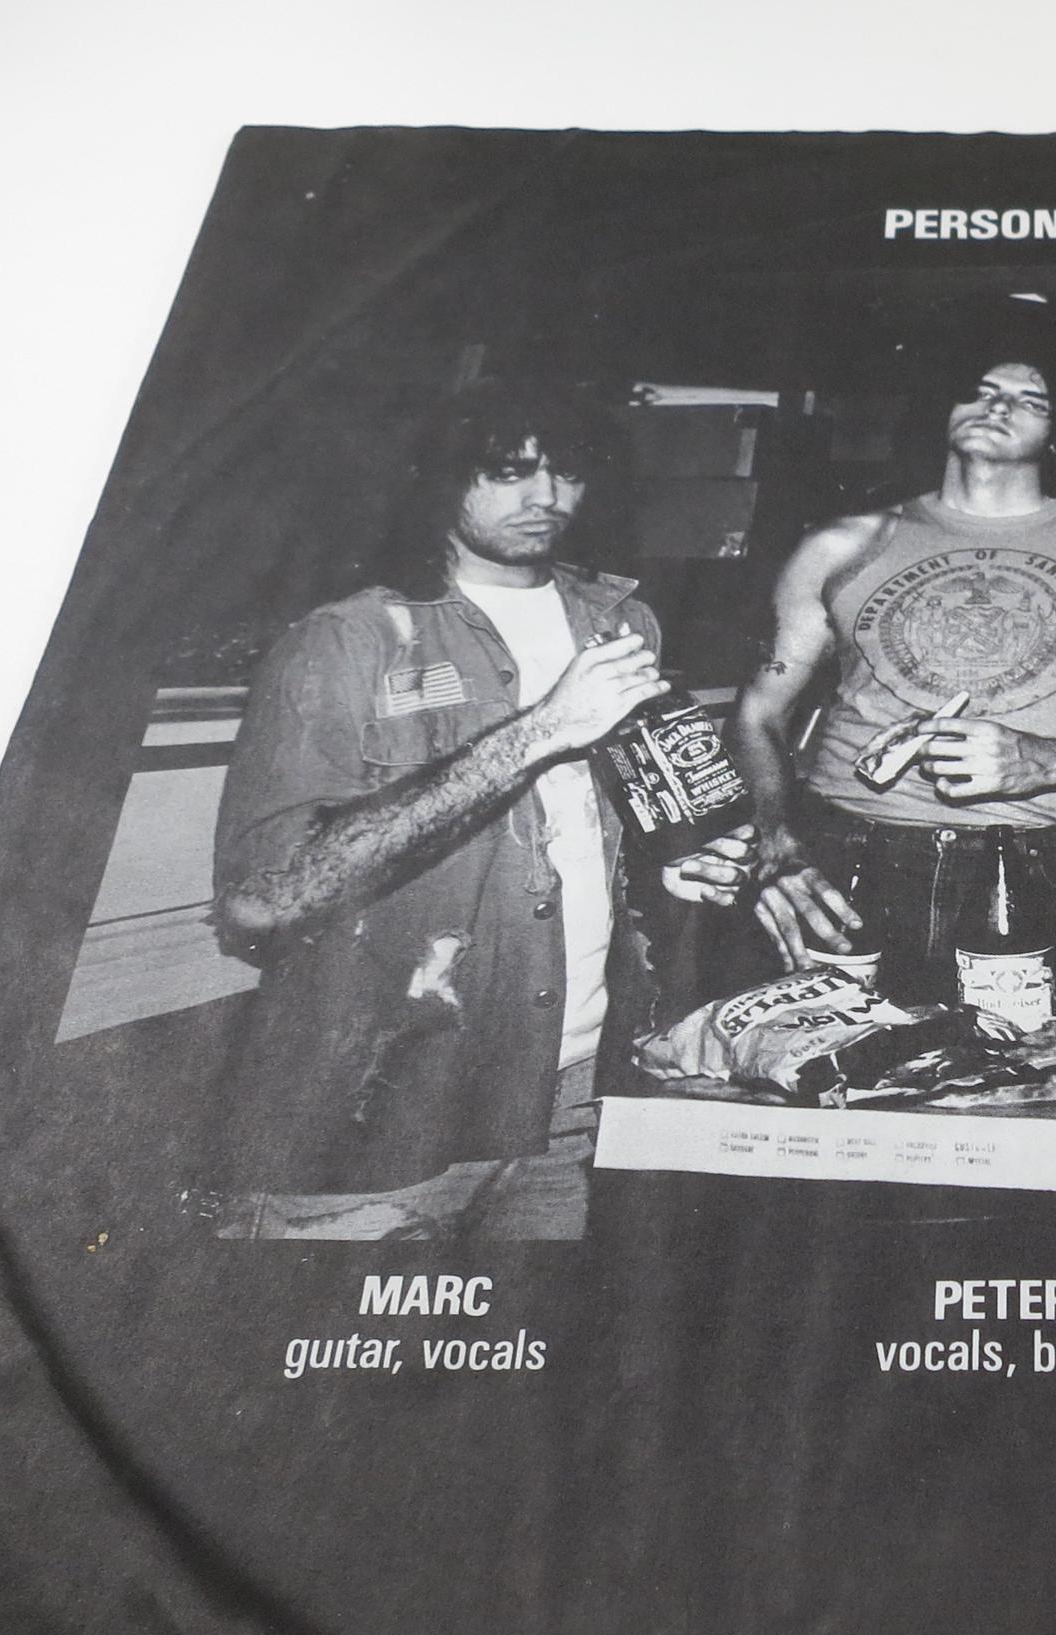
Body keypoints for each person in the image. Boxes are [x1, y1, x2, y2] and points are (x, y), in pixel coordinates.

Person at [203, 381, 750, 1241]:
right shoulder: (348, 639)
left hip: (574, 1087)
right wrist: (540, 730)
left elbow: (592, 835)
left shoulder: (621, 620)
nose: (545, 497)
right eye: (507, 472)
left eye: (566, 472)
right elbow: (263, 900)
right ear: (442, 477)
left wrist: (672, 871)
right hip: (382, 1105)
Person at [730, 340, 1056, 1004]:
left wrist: (1052, 761)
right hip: (855, 853)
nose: (998, 407)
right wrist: (775, 834)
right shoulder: (841, 543)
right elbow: (758, 712)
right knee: (841, 1062)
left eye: (1030, 400)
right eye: (980, 391)